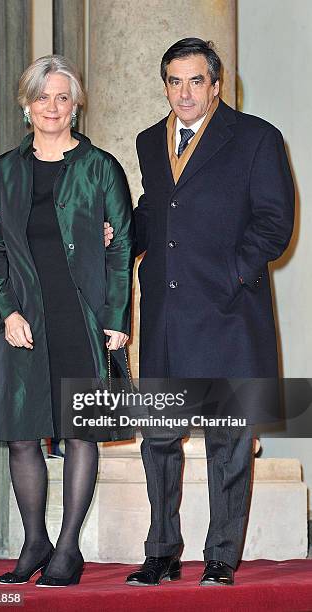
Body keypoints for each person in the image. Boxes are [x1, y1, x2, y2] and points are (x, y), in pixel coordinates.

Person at [112, 38, 293, 586]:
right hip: (166, 313)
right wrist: (119, 235)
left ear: (216, 85)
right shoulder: (150, 141)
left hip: (230, 315)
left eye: (195, 81)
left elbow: (273, 225)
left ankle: (221, 558)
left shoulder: (257, 138)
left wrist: (230, 276)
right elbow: (154, 210)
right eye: (174, 81)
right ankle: (162, 551)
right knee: (160, 439)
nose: (184, 92)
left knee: (227, 441)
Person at [0, 55, 135, 587]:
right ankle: (34, 541)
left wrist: (115, 318)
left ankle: (67, 548)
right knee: (24, 435)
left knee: (80, 432)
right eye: (42, 97)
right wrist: (7, 310)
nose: (52, 107)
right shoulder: (5, 170)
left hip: (81, 316)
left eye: (63, 97)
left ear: (76, 105)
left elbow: (122, 246)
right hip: (23, 318)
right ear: (27, 105)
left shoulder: (100, 167)